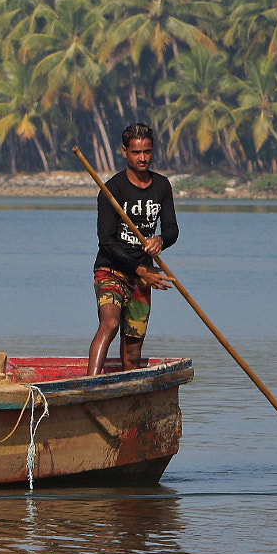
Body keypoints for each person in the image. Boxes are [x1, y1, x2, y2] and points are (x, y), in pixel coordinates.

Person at [89, 123, 179, 372]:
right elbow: (106, 240)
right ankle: (89, 387)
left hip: (142, 277)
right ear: (124, 152)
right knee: (110, 323)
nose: (143, 158)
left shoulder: (162, 186)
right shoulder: (111, 190)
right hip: (111, 270)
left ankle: (129, 396)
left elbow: (172, 229)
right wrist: (140, 269)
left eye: (147, 152)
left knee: (133, 348)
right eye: (137, 152)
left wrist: (160, 240)